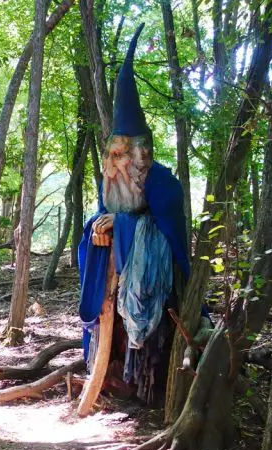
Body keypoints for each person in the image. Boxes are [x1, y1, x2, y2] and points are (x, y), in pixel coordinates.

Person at [78, 24, 192, 406]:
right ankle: (109, 373)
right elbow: (101, 218)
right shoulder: (110, 185)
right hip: (113, 283)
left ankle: (150, 386)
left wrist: (126, 226)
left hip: (158, 296)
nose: (111, 166)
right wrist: (97, 227)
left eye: (118, 156)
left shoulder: (164, 185)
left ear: (138, 155)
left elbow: (169, 241)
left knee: (157, 341)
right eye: (109, 154)